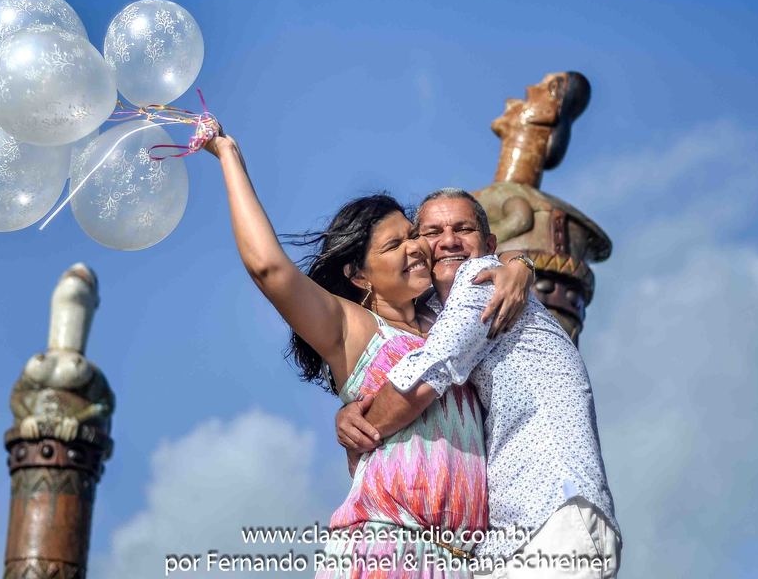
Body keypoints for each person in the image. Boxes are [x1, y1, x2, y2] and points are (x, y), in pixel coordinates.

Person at [204, 130, 535, 577]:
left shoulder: (448, 323)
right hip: (385, 548)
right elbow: (268, 268)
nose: (417, 248)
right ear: (359, 275)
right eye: (394, 245)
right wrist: (229, 157)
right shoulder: (353, 329)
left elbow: (487, 252)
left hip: (462, 565)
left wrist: (520, 264)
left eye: (412, 236)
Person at [336, 189, 621, 579]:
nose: (448, 240)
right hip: (505, 542)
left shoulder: (481, 279)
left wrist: (365, 429)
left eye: (463, 228)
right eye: (433, 231)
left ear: (488, 245)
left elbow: (430, 371)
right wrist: (347, 411)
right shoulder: (439, 313)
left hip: (556, 511)